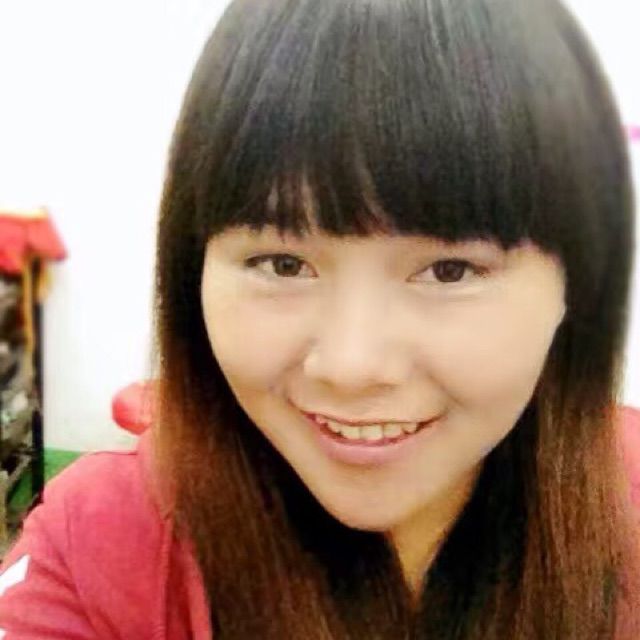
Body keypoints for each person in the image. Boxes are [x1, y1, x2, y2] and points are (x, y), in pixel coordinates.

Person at [2, 0, 640, 637]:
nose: (351, 367)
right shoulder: (92, 550)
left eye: (449, 270)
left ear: (578, 285)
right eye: (282, 264)